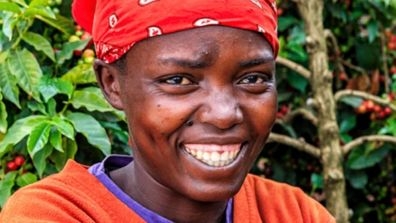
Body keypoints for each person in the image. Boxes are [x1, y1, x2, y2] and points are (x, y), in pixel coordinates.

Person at [0, 0, 336, 222]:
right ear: (112, 85)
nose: (223, 114)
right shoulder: (56, 213)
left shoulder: (292, 212)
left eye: (252, 78)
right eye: (178, 80)